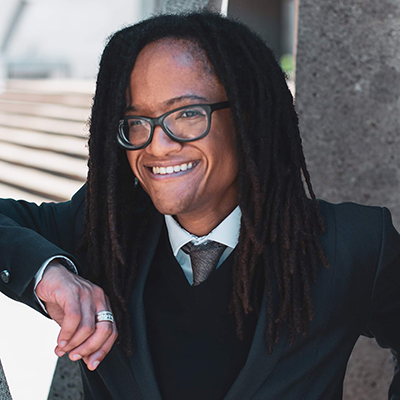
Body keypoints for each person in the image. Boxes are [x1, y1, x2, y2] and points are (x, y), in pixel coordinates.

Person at [0, 11, 399, 400]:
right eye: (138, 121)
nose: (157, 145)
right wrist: (48, 273)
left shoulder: (353, 244)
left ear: (247, 116)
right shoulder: (102, 231)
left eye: (188, 113)